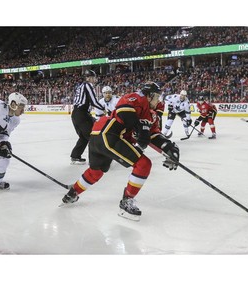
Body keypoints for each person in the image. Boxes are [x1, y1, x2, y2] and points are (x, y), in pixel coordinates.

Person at [60, 82, 180, 221]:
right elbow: (124, 111)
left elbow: (154, 136)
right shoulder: (137, 98)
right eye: (156, 96)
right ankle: (126, 201)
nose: (158, 100)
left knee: (96, 172)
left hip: (98, 136)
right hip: (109, 134)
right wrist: (140, 129)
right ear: (149, 95)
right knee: (143, 164)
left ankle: (72, 193)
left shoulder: (151, 115)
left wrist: (169, 148)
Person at [70, 70, 105, 165]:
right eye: (93, 77)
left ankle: (75, 156)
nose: (95, 79)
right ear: (88, 78)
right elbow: (94, 102)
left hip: (77, 114)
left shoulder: (80, 86)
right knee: (93, 136)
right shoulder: (88, 85)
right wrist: (104, 108)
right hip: (82, 114)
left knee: (84, 137)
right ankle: (95, 160)